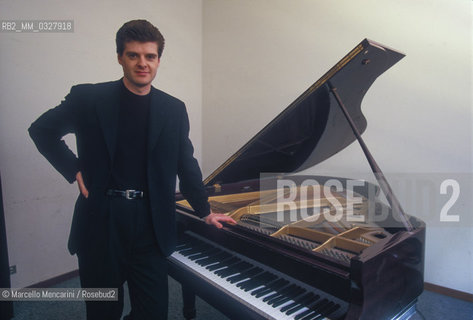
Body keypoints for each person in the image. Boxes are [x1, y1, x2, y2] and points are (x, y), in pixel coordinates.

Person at [28, 19, 235, 320]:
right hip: (101, 221)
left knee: (153, 313)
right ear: (119, 57)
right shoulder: (89, 99)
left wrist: (204, 210)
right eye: (133, 55)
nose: (142, 63)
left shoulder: (173, 109)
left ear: (158, 60)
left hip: (151, 223)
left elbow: (185, 163)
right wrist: (73, 168)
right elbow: (41, 130)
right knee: (102, 312)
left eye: (150, 56)